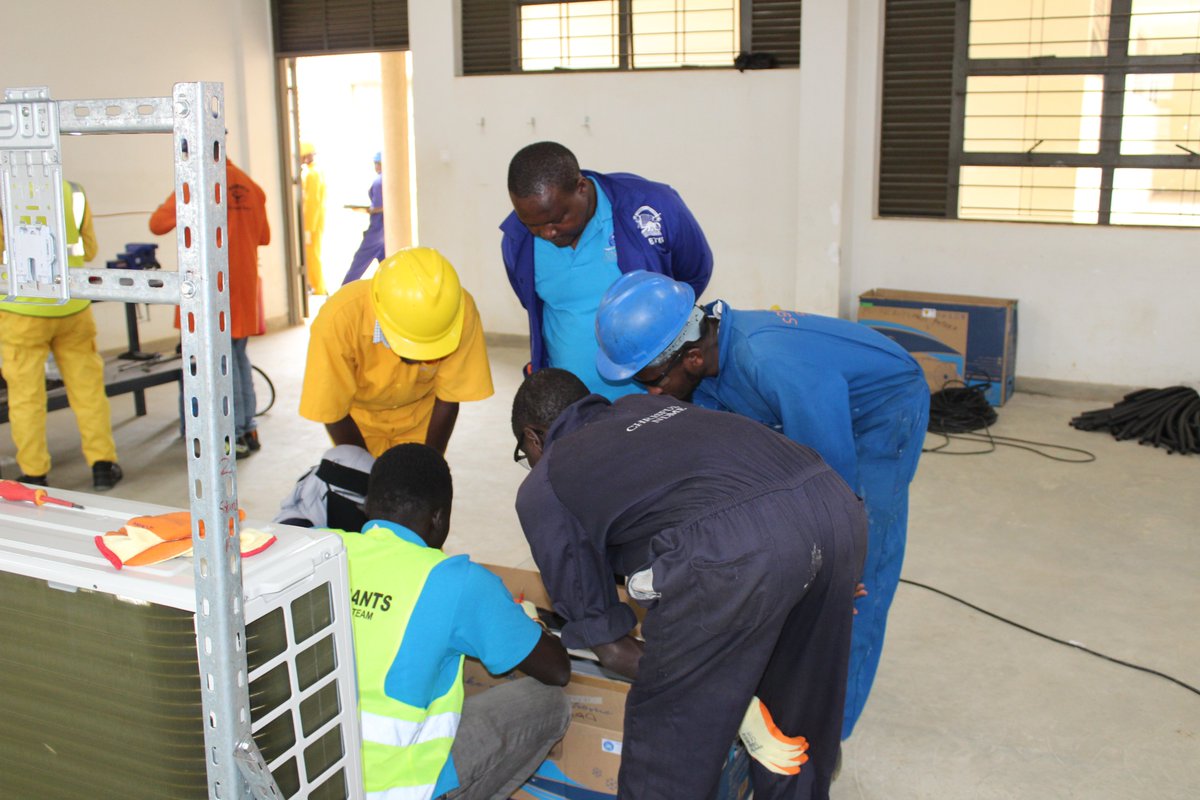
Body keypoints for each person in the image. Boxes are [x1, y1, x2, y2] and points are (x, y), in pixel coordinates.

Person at [593, 271, 931, 740]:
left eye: (650, 381)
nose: (649, 393)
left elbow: (835, 485)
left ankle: (829, 732)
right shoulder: (709, 364)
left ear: (692, 358)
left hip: (881, 410)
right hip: (819, 393)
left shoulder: (773, 366)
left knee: (858, 577)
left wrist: (842, 562)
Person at [511, 368, 867, 800]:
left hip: (737, 551)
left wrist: (722, 692)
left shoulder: (547, 481)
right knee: (796, 722)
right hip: (834, 506)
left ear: (533, 438)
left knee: (668, 751)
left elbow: (612, 648)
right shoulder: (651, 407)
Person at [340, 442, 570, 799]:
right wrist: (530, 625)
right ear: (439, 518)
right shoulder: (457, 579)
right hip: (399, 790)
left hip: (313, 782)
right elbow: (556, 670)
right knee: (550, 702)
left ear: (368, 506)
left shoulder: (321, 550)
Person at [500, 141, 713, 399]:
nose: (547, 233)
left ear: (581, 187)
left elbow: (694, 274)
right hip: (573, 403)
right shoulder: (517, 240)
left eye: (557, 219)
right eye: (533, 225)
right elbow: (532, 304)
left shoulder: (651, 207)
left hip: (651, 398)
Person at [300, 246, 493, 457]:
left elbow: (449, 397)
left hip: (424, 420)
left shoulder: (459, 311)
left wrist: (430, 462)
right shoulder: (338, 319)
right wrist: (364, 468)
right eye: (412, 344)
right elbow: (332, 410)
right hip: (356, 422)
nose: (422, 356)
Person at [0, 181, 123, 490]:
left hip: (21, 311)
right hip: (72, 306)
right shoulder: (73, 190)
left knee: (26, 397)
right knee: (88, 392)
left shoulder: (4, 190)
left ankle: (34, 473)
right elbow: (89, 249)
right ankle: (103, 465)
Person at [149, 158, 270, 458]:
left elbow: (157, 224)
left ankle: (231, 435)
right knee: (237, 357)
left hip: (209, 289)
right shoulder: (252, 187)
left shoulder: (195, 183)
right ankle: (248, 429)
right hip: (242, 288)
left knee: (217, 364)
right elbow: (263, 236)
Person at [273, 443, 374, 531]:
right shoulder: (297, 532)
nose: (363, 513)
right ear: (323, 492)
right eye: (358, 505)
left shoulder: (311, 518)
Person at [342, 151, 385, 285]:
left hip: (377, 227)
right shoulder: (388, 179)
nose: (376, 166)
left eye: (377, 163)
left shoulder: (379, 181)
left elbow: (379, 206)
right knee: (385, 262)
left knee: (360, 260)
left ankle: (346, 288)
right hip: (384, 228)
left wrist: (368, 210)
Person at [300, 141, 327, 295]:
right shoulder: (316, 172)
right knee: (313, 255)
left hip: (312, 223)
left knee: (312, 256)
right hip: (316, 222)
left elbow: (312, 202)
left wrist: (307, 227)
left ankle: (318, 288)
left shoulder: (311, 174)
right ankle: (318, 286)